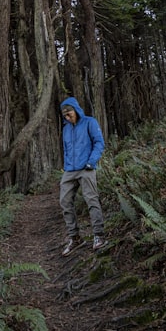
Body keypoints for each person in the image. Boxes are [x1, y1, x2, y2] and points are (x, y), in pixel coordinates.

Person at [58, 96, 105, 256]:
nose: (67, 116)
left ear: (76, 110)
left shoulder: (89, 122)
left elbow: (99, 142)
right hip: (70, 170)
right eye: (64, 114)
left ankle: (99, 235)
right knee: (64, 202)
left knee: (91, 200)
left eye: (69, 112)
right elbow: (66, 149)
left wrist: (92, 162)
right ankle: (75, 237)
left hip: (86, 168)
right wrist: (66, 166)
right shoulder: (65, 129)